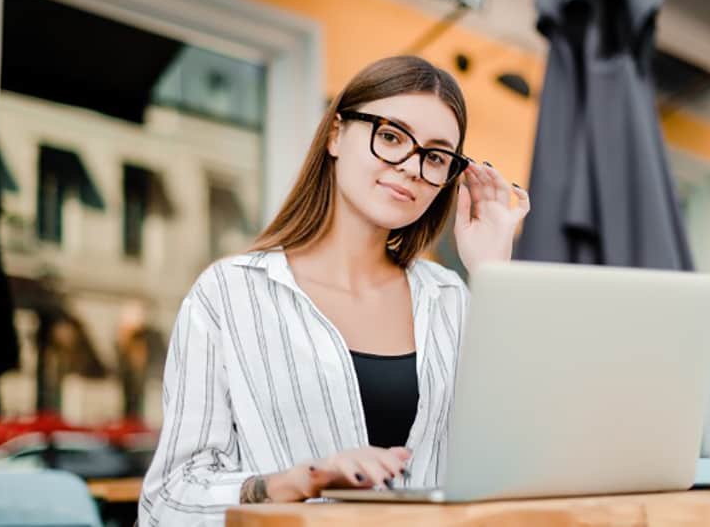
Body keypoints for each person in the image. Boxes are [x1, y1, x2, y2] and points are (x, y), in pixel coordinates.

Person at [139, 55, 530, 525]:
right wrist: (304, 479)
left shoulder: (452, 299)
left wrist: (492, 274)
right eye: (390, 136)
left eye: (435, 156)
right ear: (336, 134)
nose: (410, 166)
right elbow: (168, 500)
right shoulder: (228, 295)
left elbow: (514, 461)